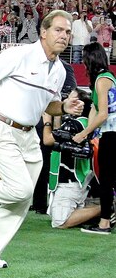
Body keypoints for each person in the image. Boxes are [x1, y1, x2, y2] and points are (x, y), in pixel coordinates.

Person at [0, 10, 84, 268]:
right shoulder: (20, 54)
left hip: (29, 136)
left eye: (68, 32)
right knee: (21, 189)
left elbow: (48, 105)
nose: (64, 35)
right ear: (43, 31)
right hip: (3, 127)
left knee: (23, 199)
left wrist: (64, 108)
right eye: (58, 30)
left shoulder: (60, 70)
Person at [73, 42, 116, 235]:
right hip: (108, 134)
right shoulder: (103, 78)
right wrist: (89, 133)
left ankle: (105, 223)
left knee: (106, 180)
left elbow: (103, 114)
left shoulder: (103, 79)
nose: (82, 62)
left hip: (111, 134)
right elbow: (94, 109)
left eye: (84, 58)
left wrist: (83, 134)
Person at [43, 89, 100, 229]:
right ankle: (92, 210)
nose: (66, 100)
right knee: (56, 212)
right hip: (75, 177)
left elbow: (48, 140)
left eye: (71, 97)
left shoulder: (76, 124)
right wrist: (57, 114)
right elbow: (59, 133)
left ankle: (106, 208)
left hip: (69, 179)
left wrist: (46, 122)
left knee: (59, 221)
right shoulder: (85, 123)